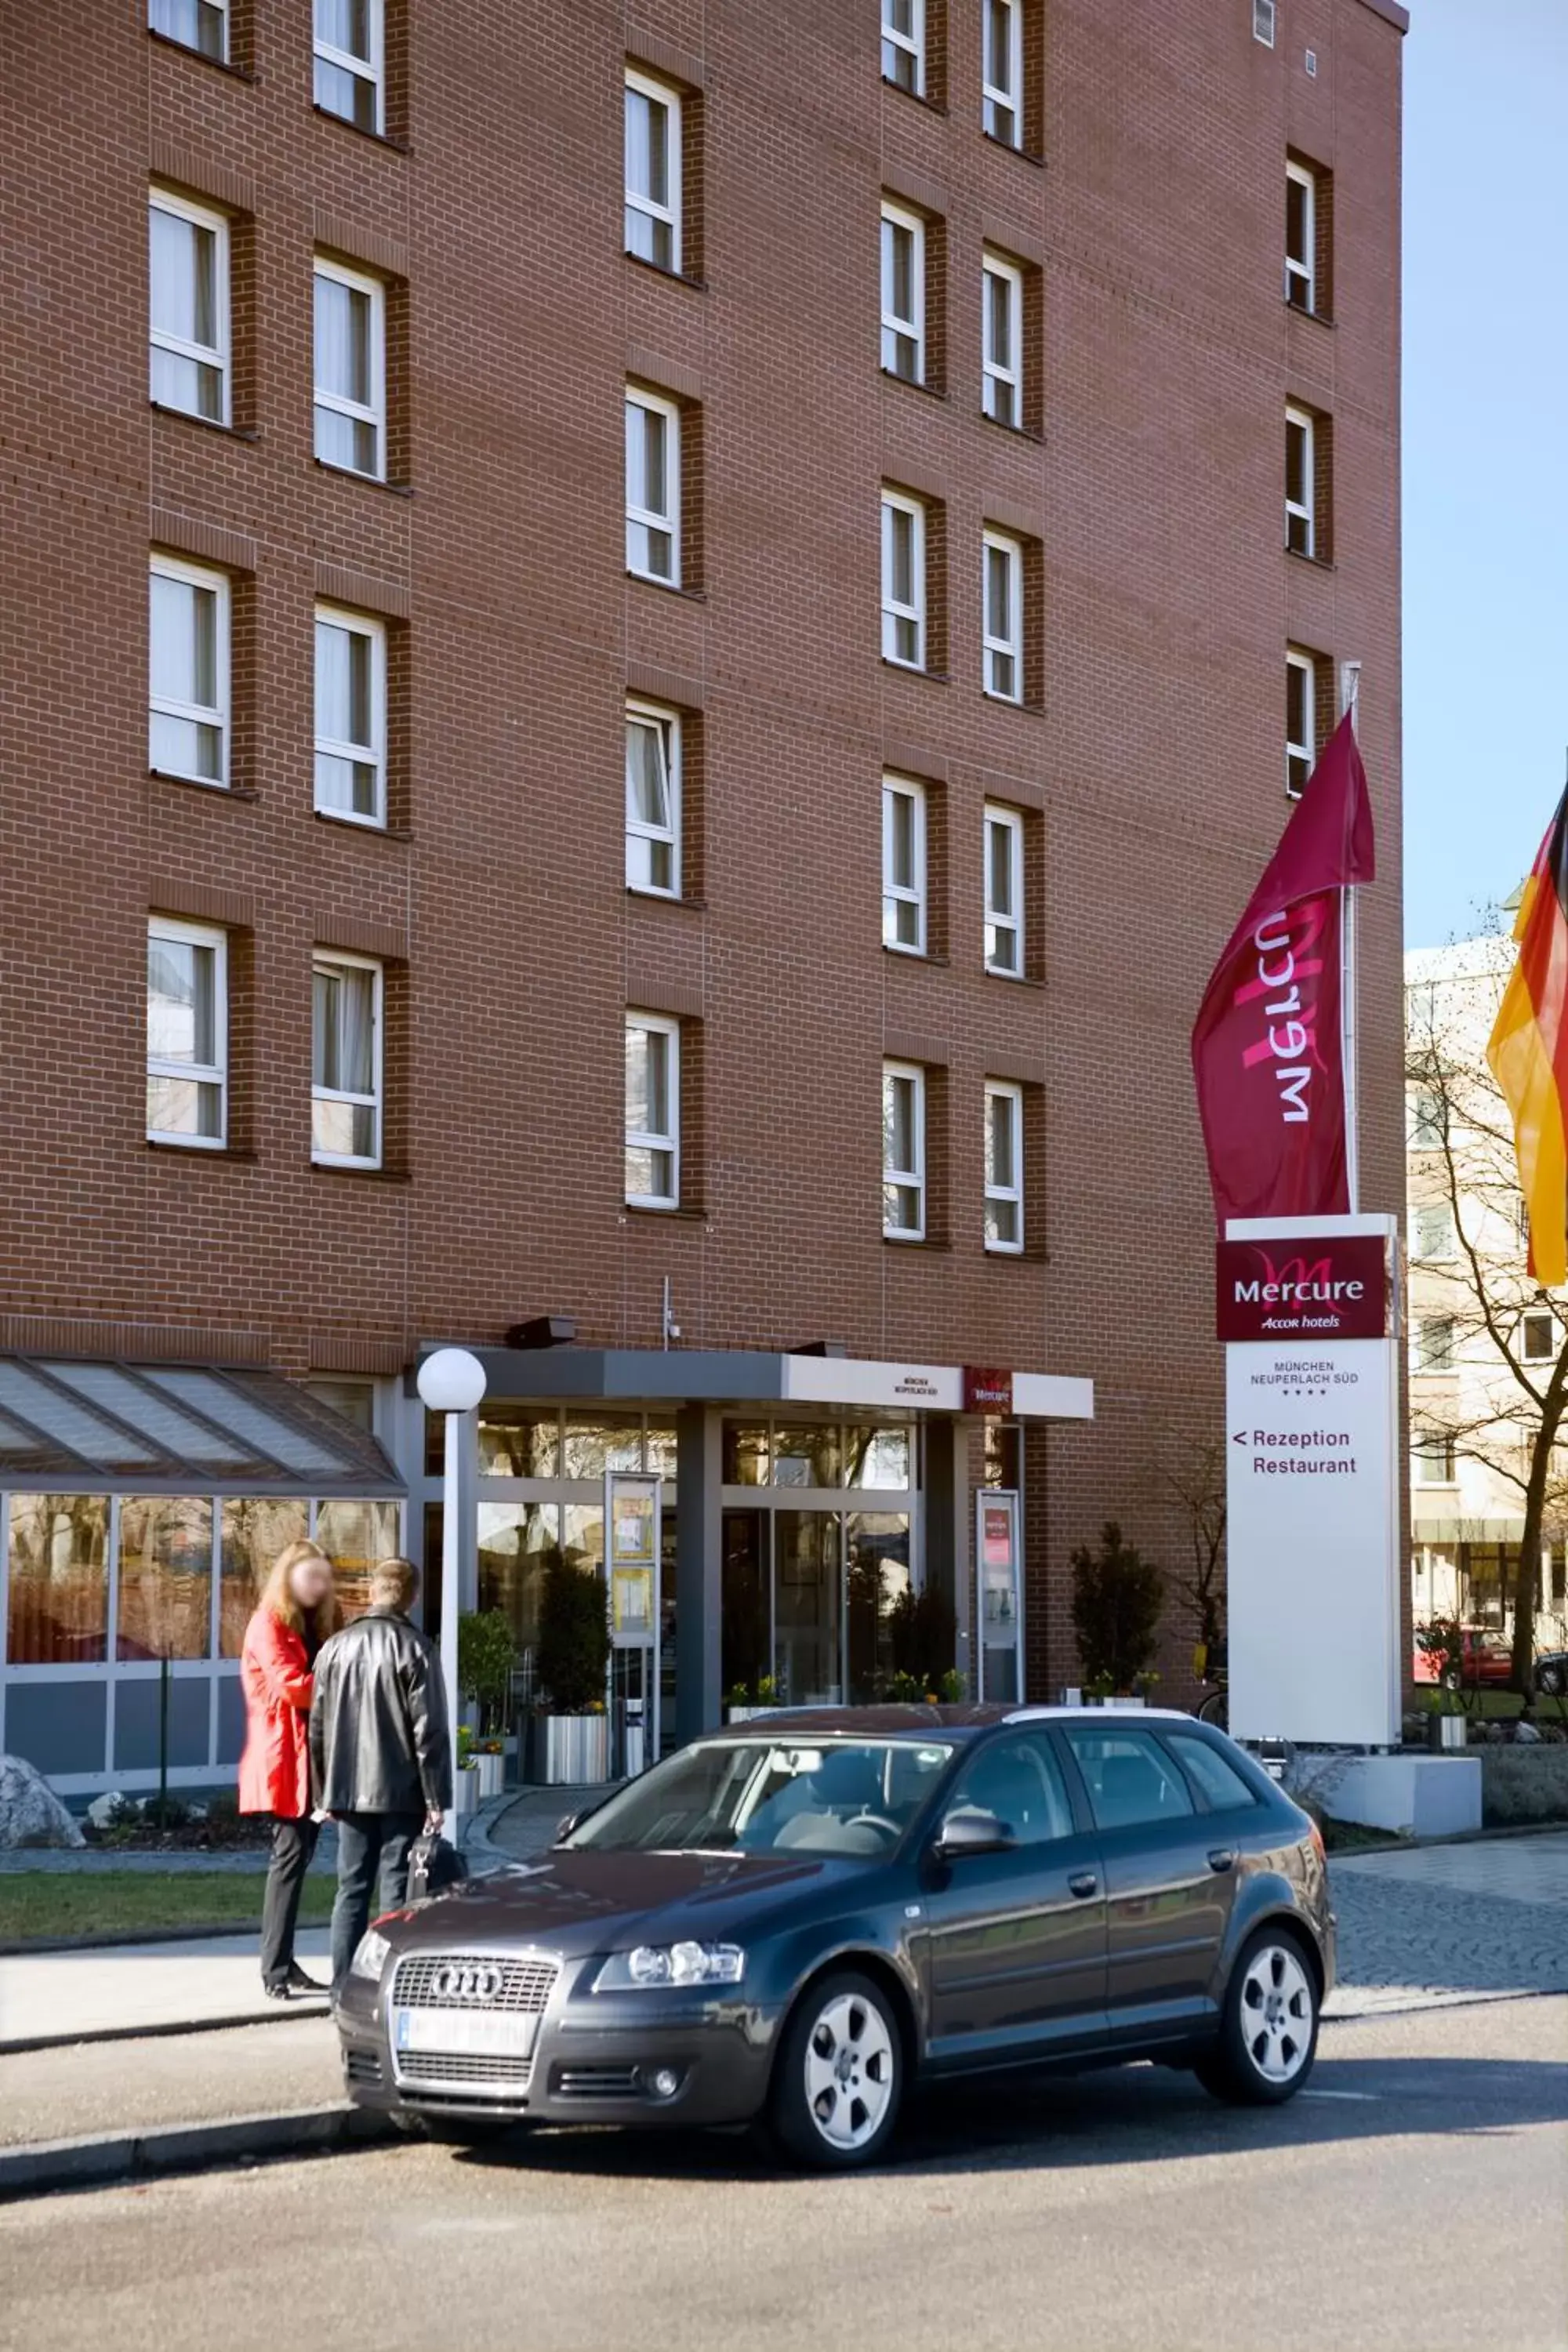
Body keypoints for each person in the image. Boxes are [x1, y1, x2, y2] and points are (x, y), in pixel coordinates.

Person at [309, 1555, 452, 1994]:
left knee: (350, 1890)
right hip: (400, 1789)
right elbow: (429, 1731)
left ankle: (341, 1984)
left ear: (373, 1592)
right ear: (411, 1597)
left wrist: (322, 1794)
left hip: (348, 1790)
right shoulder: (415, 1648)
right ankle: (386, 1984)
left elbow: (316, 1726)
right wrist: (435, 1797)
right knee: (394, 1890)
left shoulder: (335, 1648)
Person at [239, 1537, 338, 2000]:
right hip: (285, 1760)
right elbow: (294, 1687)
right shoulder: (270, 1624)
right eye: (311, 1577)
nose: (320, 1586)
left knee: (296, 1862)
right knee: (289, 1860)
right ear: (290, 1577)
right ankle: (275, 1968)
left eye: (324, 1578)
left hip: (306, 1758)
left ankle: (283, 1961)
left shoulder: (307, 1624)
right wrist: (345, 1677)